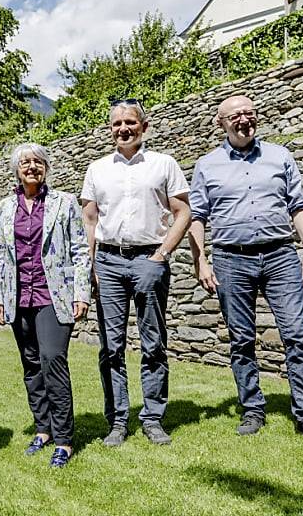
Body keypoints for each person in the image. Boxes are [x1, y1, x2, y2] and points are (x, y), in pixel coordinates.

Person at [187, 95, 303, 440]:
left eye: (250, 113)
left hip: (280, 255)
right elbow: (197, 216)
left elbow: (299, 205)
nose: (244, 119)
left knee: (297, 334)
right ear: (221, 123)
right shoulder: (207, 165)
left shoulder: (280, 156)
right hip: (230, 259)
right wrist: (200, 259)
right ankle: (252, 410)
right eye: (236, 115)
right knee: (241, 339)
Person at [81, 100, 191, 447]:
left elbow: (183, 211)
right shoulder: (97, 169)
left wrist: (162, 254)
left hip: (149, 259)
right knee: (111, 346)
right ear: (110, 129)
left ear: (144, 126)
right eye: (117, 124)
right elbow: (89, 218)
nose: (123, 129)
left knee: (153, 341)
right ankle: (116, 421)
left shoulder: (163, 164)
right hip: (109, 262)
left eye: (130, 122)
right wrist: (91, 264)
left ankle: (153, 418)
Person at [0, 143, 91, 468]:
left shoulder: (64, 202)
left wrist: (81, 293)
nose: (31, 166)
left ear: (46, 167)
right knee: (31, 365)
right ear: (16, 170)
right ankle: (42, 429)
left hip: (54, 295)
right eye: (25, 162)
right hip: (18, 298)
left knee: (52, 360)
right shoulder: (5, 207)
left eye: (37, 162)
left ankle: (63, 439)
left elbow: (80, 249)